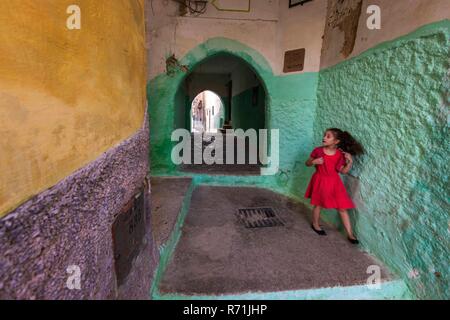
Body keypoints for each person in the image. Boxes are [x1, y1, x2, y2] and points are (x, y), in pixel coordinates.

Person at [304, 128, 364, 244]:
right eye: (324, 135)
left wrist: (349, 163)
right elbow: (307, 163)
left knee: (342, 207)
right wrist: (313, 162)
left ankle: (350, 234)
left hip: (335, 183)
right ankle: (315, 224)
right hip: (320, 180)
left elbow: (343, 171)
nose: (324, 138)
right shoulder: (318, 151)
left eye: (328, 136)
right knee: (318, 205)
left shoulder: (340, 155)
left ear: (336, 141)